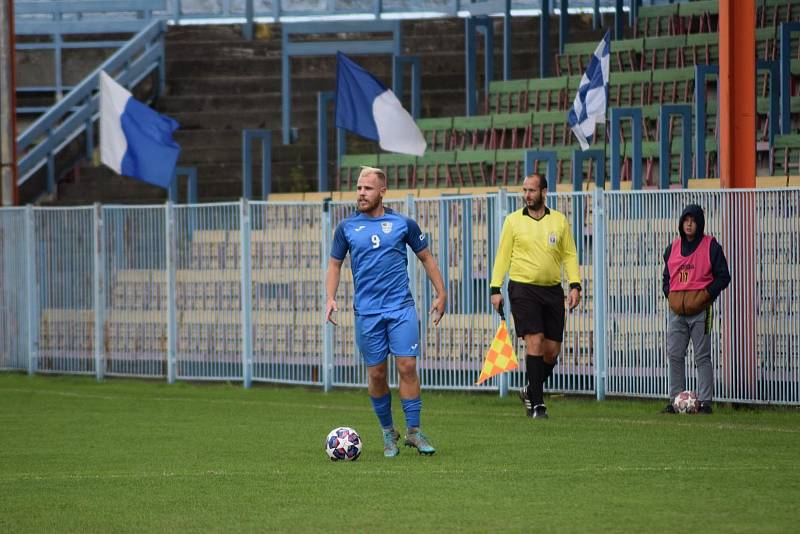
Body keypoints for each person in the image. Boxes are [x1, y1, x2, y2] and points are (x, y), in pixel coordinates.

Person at [325, 166, 447, 457]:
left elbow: (427, 258)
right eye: (358, 188)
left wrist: (441, 293)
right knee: (377, 374)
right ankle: (388, 434)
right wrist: (329, 297)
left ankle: (414, 432)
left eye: (367, 188)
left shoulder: (403, 223)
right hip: (367, 313)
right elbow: (334, 264)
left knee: (407, 367)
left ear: (382, 191)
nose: (361, 193)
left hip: (400, 308)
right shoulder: (346, 228)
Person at [489, 174, 581, 419]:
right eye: (524, 190)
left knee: (552, 351)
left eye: (531, 190)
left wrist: (575, 285)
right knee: (535, 342)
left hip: (552, 290)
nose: (527, 195)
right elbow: (502, 256)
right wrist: (495, 288)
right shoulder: (512, 221)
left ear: (544, 191)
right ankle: (538, 405)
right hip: (522, 289)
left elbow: (570, 254)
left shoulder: (560, 221)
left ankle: (531, 389)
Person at [661, 204, 730, 414]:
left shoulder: (711, 247)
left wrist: (706, 296)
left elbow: (723, 277)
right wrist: (671, 297)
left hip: (701, 311)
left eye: (693, 220)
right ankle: (676, 400)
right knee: (674, 355)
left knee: (702, 356)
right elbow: (667, 278)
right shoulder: (672, 248)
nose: (689, 224)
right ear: (681, 223)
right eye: (686, 220)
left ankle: (706, 402)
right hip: (677, 312)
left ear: (699, 223)